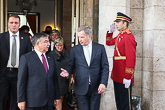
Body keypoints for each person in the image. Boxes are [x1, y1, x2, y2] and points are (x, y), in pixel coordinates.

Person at [60, 25, 109, 110]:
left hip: (96, 87)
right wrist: (67, 72)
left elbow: (105, 67)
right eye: (79, 37)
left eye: (82, 37)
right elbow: (70, 65)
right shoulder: (75, 49)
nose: (80, 40)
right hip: (81, 87)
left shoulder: (100, 48)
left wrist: (103, 83)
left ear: (89, 36)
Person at [17, 33, 60, 110]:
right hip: (33, 102)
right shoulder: (26, 58)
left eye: (48, 41)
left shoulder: (50, 58)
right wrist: (21, 100)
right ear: (37, 43)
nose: (48, 44)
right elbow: (21, 81)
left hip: (49, 102)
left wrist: (56, 97)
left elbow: (54, 79)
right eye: (46, 42)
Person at [0, 15, 32, 110]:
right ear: (8, 24)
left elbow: (28, 57)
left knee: (16, 101)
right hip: (3, 74)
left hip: (19, 74)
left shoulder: (26, 39)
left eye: (16, 23)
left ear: (19, 24)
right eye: (11, 23)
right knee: (2, 100)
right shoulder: (1, 37)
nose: (14, 25)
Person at [106, 12, 136, 110]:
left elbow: (131, 58)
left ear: (125, 23)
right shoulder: (120, 36)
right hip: (117, 74)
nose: (116, 24)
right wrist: (110, 32)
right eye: (116, 22)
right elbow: (109, 42)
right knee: (119, 102)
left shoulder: (128, 37)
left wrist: (128, 76)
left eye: (118, 22)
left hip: (124, 75)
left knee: (125, 104)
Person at [48, 37, 71, 110]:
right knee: (55, 99)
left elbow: (71, 65)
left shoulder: (68, 53)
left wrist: (72, 75)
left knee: (60, 97)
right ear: (54, 45)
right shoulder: (50, 55)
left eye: (61, 45)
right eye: (58, 45)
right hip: (54, 78)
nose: (60, 47)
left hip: (64, 79)